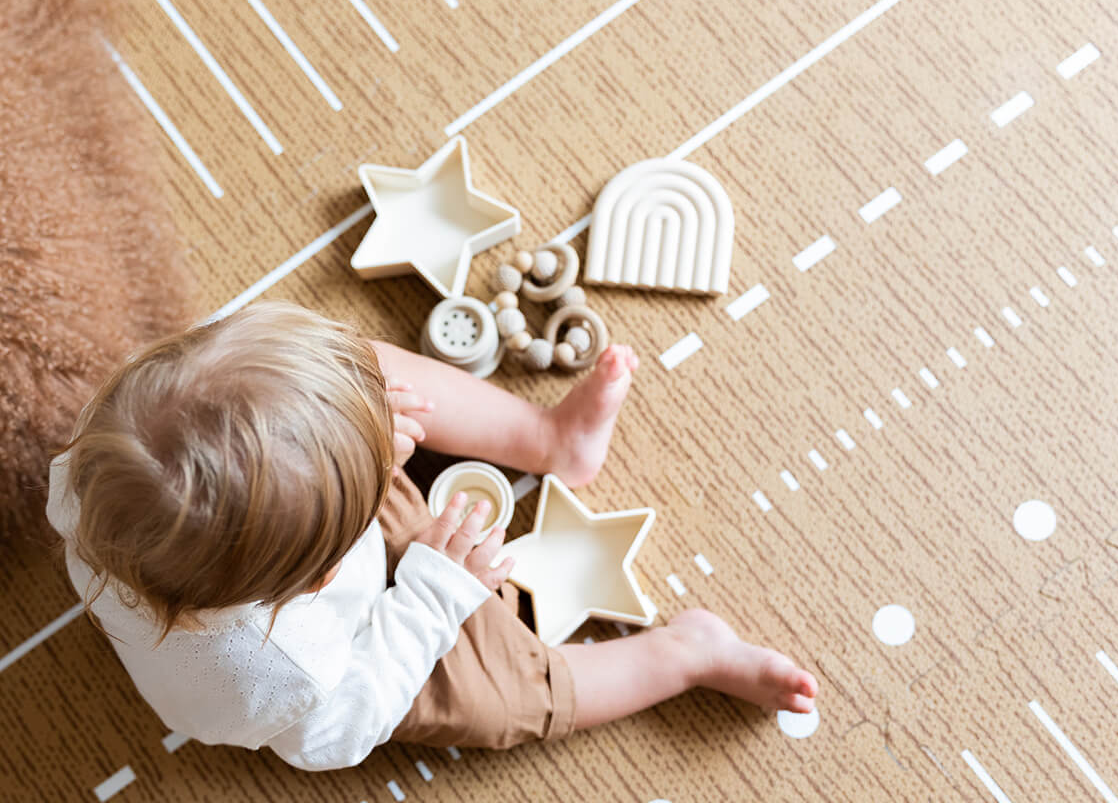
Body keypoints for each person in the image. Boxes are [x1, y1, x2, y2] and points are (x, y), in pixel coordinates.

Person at [46, 301, 818, 771]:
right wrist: (432, 595)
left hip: (269, 516)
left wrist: (358, 421)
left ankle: (549, 439)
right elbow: (341, 733)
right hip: (359, 654)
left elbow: (251, 415)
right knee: (504, 698)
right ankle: (682, 656)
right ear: (319, 574)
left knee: (369, 373)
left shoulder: (98, 463)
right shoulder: (281, 672)